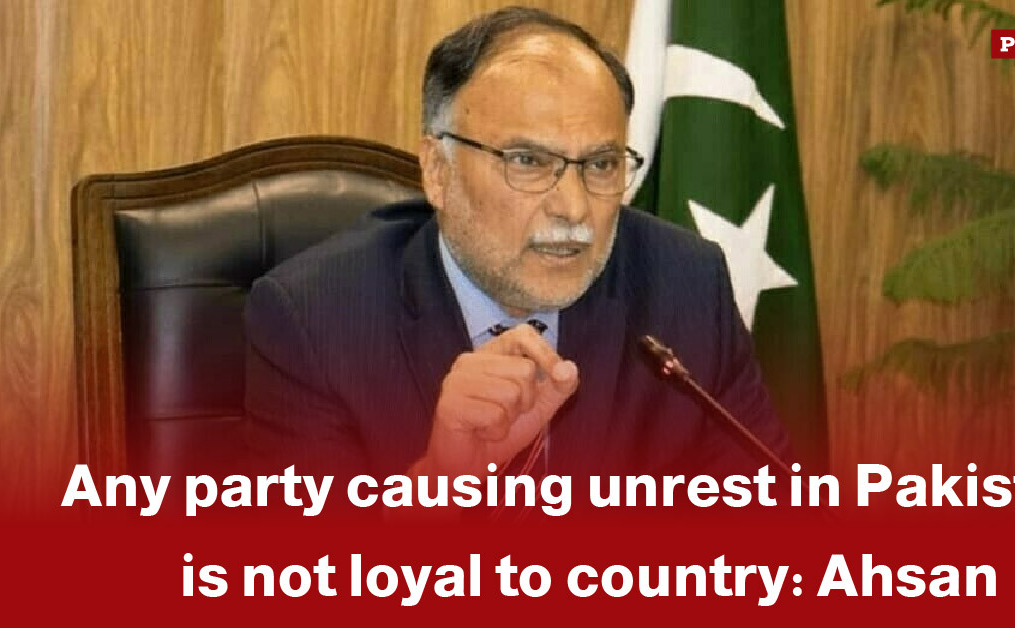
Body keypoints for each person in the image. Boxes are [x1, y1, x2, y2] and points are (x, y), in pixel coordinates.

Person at [244, 6, 791, 482]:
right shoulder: (316, 321)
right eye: (528, 161)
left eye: (600, 165)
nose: (573, 208)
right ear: (438, 171)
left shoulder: (686, 287)